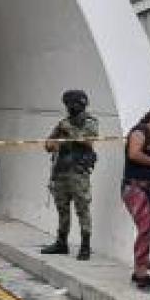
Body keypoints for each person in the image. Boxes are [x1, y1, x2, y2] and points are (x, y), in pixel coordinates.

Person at [41, 90, 99, 260]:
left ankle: (85, 245)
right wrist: (55, 145)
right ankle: (61, 242)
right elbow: (48, 144)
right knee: (62, 209)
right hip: (61, 171)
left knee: (82, 209)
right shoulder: (63, 123)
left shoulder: (90, 122)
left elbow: (88, 141)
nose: (71, 108)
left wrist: (70, 131)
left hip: (78, 172)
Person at [121, 103, 150, 290]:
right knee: (145, 228)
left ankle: (141, 270)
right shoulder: (140, 131)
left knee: (148, 230)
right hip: (135, 188)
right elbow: (134, 154)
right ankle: (140, 274)